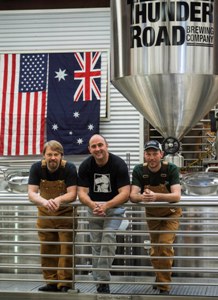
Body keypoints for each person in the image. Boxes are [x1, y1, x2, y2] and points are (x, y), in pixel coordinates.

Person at [77, 134, 130, 294]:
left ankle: (102, 280)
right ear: (89, 149)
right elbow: (82, 192)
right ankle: (101, 283)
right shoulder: (86, 165)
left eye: (100, 145)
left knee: (108, 238)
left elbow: (125, 192)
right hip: (93, 208)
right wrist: (93, 205)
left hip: (113, 209)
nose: (97, 149)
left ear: (106, 146)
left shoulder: (118, 164)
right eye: (94, 146)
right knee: (96, 245)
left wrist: (106, 205)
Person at [130, 140, 182, 295]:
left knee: (165, 246)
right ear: (144, 155)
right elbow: (133, 195)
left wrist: (155, 196)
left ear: (161, 154)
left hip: (171, 213)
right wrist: (143, 198)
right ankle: (160, 278)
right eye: (148, 154)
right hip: (152, 214)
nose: (151, 157)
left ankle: (164, 287)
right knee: (155, 250)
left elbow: (176, 196)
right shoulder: (139, 170)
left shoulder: (171, 169)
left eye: (154, 154)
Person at [28, 140, 77, 293]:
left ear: (61, 156)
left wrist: (58, 200)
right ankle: (51, 281)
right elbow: (31, 193)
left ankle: (64, 284)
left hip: (65, 216)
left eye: (56, 154)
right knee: (47, 248)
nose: (53, 158)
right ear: (44, 155)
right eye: (49, 154)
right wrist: (44, 202)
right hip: (45, 215)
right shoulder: (36, 168)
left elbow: (73, 193)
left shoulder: (69, 168)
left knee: (66, 249)